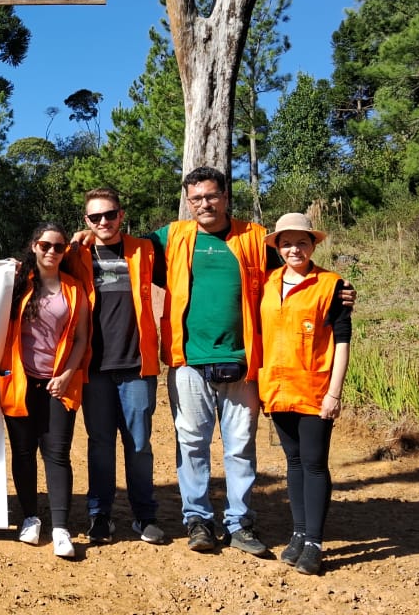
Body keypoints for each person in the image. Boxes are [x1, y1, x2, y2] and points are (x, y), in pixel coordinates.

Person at [151, 166, 275, 556]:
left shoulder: (255, 238)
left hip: (244, 361)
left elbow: (295, 271)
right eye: (196, 198)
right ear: (188, 201)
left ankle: (239, 523)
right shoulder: (172, 237)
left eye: (211, 196)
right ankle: (198, 520)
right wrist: (81, 243)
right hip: (188, 361)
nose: (204, 204)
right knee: (192, 444)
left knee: (240, 447)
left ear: (225, 196)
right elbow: (122, 253)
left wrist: (338, 290)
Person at [62, 187, 166, 547]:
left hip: (137, 365)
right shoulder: (76, 253)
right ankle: (99, 515)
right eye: (95, 217)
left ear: (122, 215)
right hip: (94, 367)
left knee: (139, 445)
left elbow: (189, 277)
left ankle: (144, 516)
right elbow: (40, 272)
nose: (103, 222)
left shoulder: (147, 250)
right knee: (100, 444)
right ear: (85, 220)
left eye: (110, 214)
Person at [258, 213, 351, 576]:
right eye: (286, 243)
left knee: (314, 463)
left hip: (315, 389)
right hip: (278, 388)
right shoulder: (268, 284)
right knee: (293, 462)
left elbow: (342, 341)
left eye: (301, 242)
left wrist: (335, 392)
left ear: (313, 245)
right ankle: (297, 533)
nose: (293, 248)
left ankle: (314, 542)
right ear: (277, 248)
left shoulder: (331, 285)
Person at [0, 223, 91, 559]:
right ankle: (30, 518)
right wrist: (3, 272)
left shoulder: (75, 289)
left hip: (58, 384)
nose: (51, 252)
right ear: (33, 246)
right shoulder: (17, 283)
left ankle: (62, 528)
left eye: (59, 247)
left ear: (66, 251)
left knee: (57, 453)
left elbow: (81, 338)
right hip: (19, 380)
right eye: (45, 245)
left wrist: (67, 374)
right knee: (23, 453)